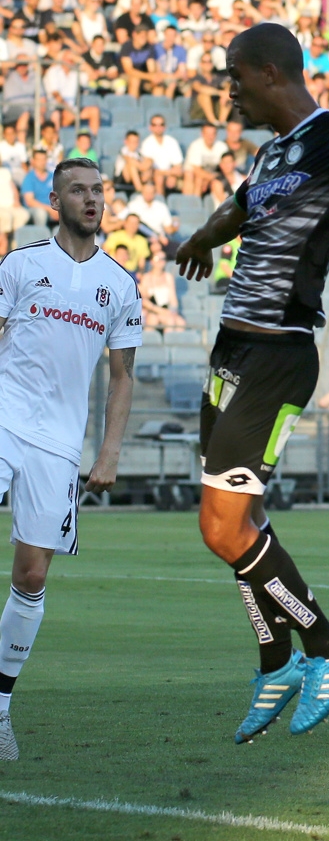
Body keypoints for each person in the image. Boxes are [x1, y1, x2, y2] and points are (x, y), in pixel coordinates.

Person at [174, 21, 329, 745]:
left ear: (270, 73)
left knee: (220, 529)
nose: (229, 90)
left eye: (235, 77)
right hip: (232, 351)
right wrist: (200, 238)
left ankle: (328, 645)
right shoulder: (272, 153)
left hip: (280, 355)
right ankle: (274, 661)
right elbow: (241, 207)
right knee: (239, 527)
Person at [0, 158, 141, 760]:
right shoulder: (21, 265)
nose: (91, 199)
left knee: (31, 578)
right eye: (78, 191)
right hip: (4, 419)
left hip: (60, 444)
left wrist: (108, 451)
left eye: (97, 190)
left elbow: (123, 375)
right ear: (55, 201)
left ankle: (0, 707)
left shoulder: (121, 284)